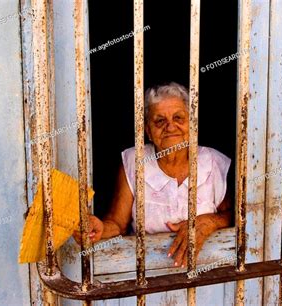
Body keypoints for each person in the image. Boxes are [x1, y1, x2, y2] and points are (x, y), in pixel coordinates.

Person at [74, 82, 232, 267]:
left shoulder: (213, 162)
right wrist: (98, 230)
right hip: (146, 271)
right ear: (148, 130)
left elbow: (236, 214)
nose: (170, 127)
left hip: (208, 269)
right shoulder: (134, 161)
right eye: (159, 121)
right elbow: (117, 223)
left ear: (192, 125)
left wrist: (209, 222)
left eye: (178, 118)